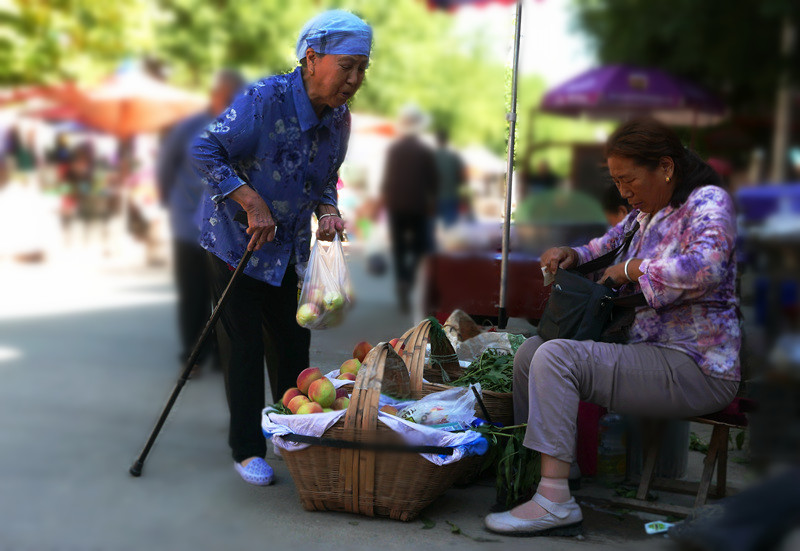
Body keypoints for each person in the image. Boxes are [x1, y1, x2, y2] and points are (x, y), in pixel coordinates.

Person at [485, 118, 740, 536]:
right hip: (651, 354)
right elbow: (605, 246)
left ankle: (554, 504)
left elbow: (707, 268)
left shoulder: (707, 203)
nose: (623, 192)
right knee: (532, 352)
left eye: (629, 180)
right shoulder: (645, 211)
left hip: (697, 366)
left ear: (666, 167)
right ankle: (550, 478)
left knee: (556, 357)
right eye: (617, 181)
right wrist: (571, 254)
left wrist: (634, 269)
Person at [191, 10, 371, 486]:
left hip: (286, 249)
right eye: (346, 66)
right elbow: (203, 149)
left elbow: (324, 178)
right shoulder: (263, 99)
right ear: (312, 58)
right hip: (236, 242)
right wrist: (250, 200)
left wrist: (328, 210)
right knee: (245, 347)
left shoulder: (339, 121)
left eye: (362, 69)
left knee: (293, 344)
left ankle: (291, 433)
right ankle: (247, 448)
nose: (354, 79)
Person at [157, 69, 245, 377]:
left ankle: (223, 354)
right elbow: (165, 168)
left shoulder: (240, 127)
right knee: (193, 293)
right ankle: (193, 355)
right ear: (215, 95)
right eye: (227, 96)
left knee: (223, 294)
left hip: (224, 229)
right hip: (188, 225)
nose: (231, 102)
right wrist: (173, 204)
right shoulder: (189, 128)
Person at [381, 104, 438, 312]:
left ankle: (403, 283)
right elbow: (433, 181)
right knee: (419, 248)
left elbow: (388, 180)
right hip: (418, 207)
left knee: (399, 248)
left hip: (397, 206)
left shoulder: (394, 149)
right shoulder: (424, 151)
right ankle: (413, 283)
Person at [433, 129, 466, 227]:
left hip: (435, 198)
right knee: (450, 228)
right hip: (451, 196)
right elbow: (461, 178)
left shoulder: (431, 156)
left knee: (435, 229)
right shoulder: (454, 157)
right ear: (446, 140)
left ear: (437, 140)